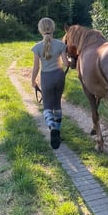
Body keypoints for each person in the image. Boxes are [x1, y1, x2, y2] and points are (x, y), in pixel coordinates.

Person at [31, 17, 69, 149]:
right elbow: (65, 63)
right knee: (57, 104)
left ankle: (52, 128)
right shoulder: (61, 45)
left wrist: (33, 81)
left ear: (40, 30)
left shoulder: (37, 47)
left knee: (47, 106)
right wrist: (71, 62)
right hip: (59, 76)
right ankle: (57, 132)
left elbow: (36, 68)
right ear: (53, 28)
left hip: (46, 77)